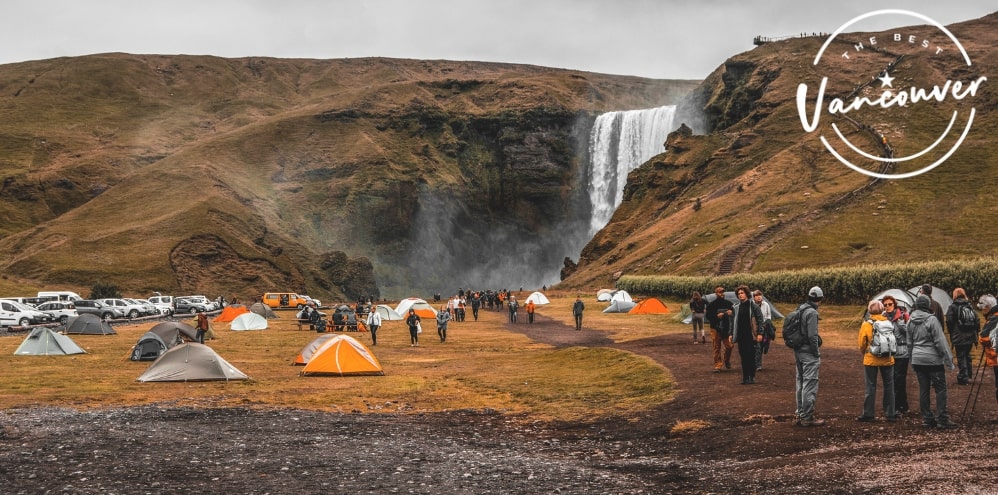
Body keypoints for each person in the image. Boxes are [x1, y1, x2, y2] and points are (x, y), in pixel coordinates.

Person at [908, 294, 957, 428]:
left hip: (918, 359)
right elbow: (940, 342)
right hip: (933, 360)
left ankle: (927, 418)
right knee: (940, 389)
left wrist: (912, 360)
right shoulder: (932, 320)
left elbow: (909, 343)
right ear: (928, 306)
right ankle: (942, 418)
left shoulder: (910, 320)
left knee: (924, 388)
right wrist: (949, 361)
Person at [857, 299, 896, 422]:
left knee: (871, 386)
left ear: (869, 311)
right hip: (887, 358)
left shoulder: (867, 324)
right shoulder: (888, 322)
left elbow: (862, 343)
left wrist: (864, 352)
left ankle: (868, 413)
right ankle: (890, 413)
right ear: (882, 309)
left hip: (871, 359)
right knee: (889, 386)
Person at [795, 286, 824, 426]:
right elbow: (812, 336)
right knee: (810, 383)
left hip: (798, 350)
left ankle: (800, 414)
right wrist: (816, 352)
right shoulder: (812, 313)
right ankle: (807, 417)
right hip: (808, 352)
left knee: (800, 382)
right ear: (820, 299)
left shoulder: (800, 308)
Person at [882, 295, 911, 415]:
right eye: (885, 305)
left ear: (894, 304)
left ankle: (901, 406)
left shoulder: (902, 316)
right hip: (889, 352)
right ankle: (897, 405)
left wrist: (900, 322)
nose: (888, 307)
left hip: (902, 352)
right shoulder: (883, 318)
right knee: (891, 380)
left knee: (899, 380)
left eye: (890, 304)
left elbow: (908, 332)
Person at [730, 285, 764, 384]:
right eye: (739, 294)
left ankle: (752, 377)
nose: (740, 295)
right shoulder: (736, 307)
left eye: (742, 293)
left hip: (751, 335)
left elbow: (760, 320)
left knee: (751, 356)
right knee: (743, 357)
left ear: (747, 294)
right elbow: (733, 322)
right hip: (741, 336)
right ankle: (745, 377)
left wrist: (760, 333)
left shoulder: (753, 306)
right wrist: (731, 334)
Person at [945, 288, 979, 385]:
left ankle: (963, 377)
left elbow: (949, 321)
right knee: (967, 354)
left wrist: (952, 332)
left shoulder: (953, 307)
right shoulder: (969, 305)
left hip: (959, 335)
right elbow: (976, 320)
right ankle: (968, 374)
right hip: (971, 335)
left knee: (961, 355)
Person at [705, 286, 734, 373]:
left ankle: (726, 360)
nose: (722, 294)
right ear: (716, 294)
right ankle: (718, 365)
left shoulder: (728, 303)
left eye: (723, 292)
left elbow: (734, 313)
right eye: (720, 292)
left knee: (729, 346)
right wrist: (716, 316)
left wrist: (731, 313)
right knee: (716, 347)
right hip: (715, 328)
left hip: (725, 328)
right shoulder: (712, 305)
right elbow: (708, 317)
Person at [978, 295, 998, 405]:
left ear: (988, 307)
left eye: (983, 308)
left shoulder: (994, 318)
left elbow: (983, 337)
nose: (981, 311)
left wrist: (985, 341)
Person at [753, 290, 774, 370]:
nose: (759, 297)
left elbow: (769, 315)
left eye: (760, 295)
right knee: (756, 346)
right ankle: (756, 364)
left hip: (764, 327)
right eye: (757, 295)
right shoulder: (752, 305)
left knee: (761, 345)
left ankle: (758, 364)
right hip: (754, 327)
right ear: (754, 297)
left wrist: (766, 322)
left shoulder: (766, 305)